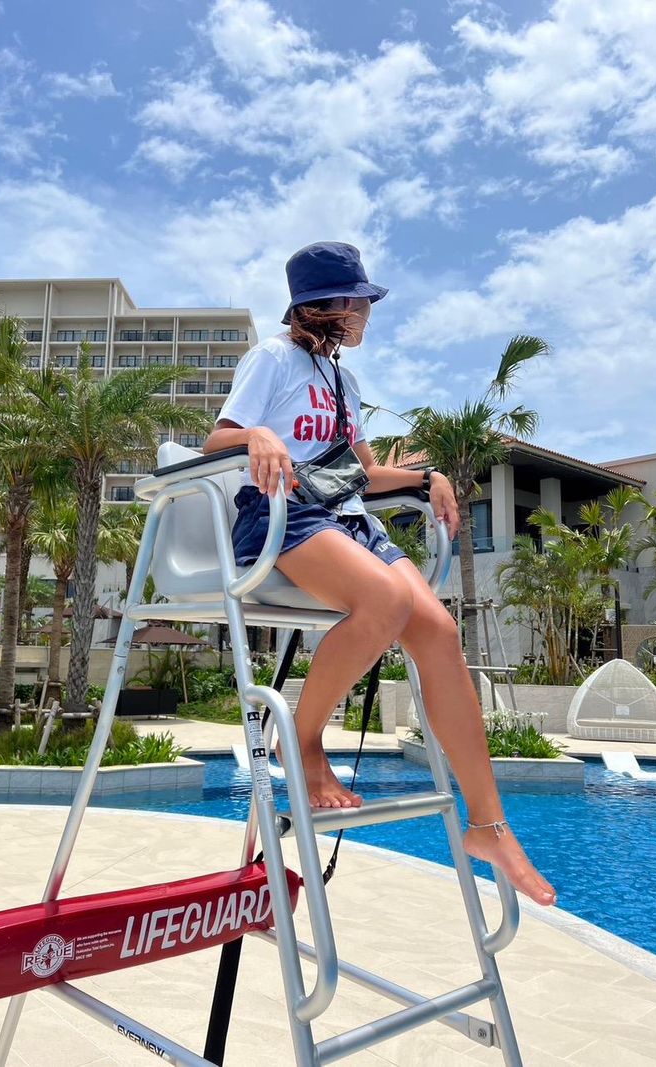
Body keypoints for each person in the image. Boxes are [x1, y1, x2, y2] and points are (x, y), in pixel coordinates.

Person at [203, 241, 556, 907]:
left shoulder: (344, 382)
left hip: (347, 516)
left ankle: (488, 825)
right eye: (360, 302)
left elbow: (361, 473)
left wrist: (427, 477)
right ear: (326, 305)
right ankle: (303, 741)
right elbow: (217, 438)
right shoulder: (272, 358)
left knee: (438, 630)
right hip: (282, 515)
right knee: (388, 600)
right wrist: (256, 436)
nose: (367, 313)